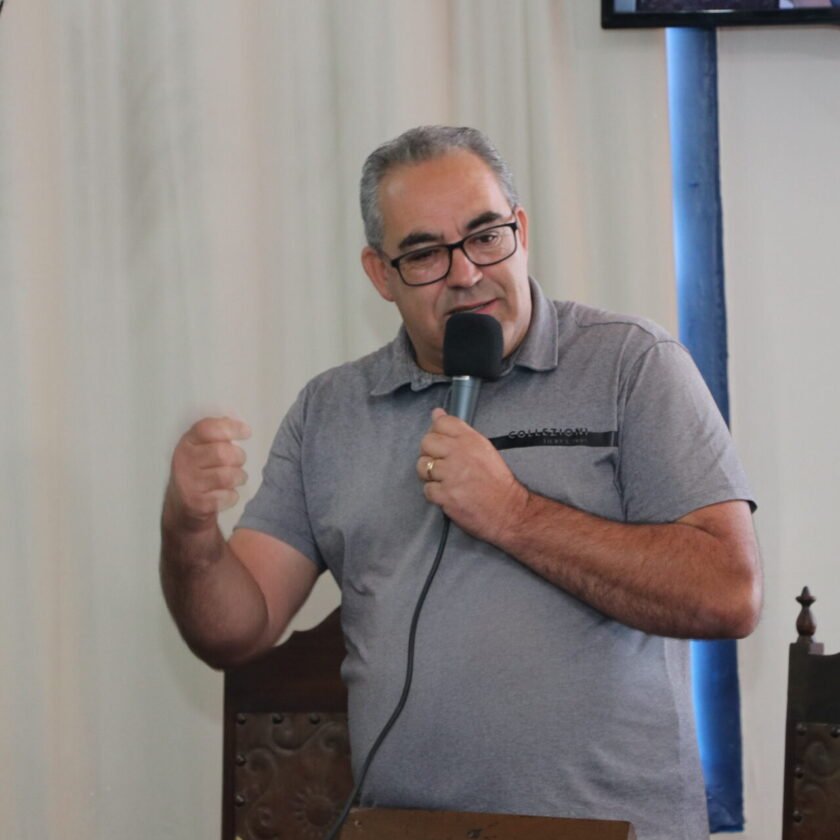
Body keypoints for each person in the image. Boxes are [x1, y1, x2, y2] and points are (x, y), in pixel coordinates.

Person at [160, 126, 761, 840]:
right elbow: (238, 628)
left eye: (485, 237)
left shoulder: (631, 365)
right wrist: (188, 532)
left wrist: (514, 514)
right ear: (380, 274)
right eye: (424, 254)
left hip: (612, 829)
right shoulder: (330, 411)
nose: (466, 273)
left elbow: (728, 592)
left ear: (521, 231)